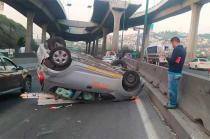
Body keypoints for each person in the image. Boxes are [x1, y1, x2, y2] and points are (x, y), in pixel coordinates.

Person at [165, 37, 186, 109]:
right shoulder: (183, 50)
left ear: (175, 41)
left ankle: (172, 104)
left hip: (173, 72)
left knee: (172, 89)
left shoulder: (176, 49)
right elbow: (177, 61)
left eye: (172, 43)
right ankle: (173, 102)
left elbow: (172, 61)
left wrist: (167, 58)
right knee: (174, 89)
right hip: (178, 72)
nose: (172, 45)